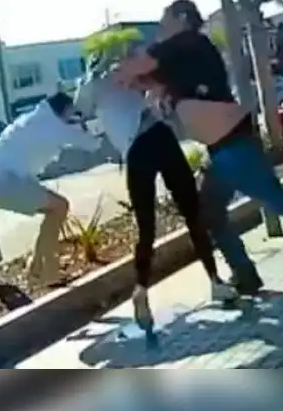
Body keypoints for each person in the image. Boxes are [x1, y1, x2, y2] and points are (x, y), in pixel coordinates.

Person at [113, 0, 283, 295]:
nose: (160, 26)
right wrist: (129, 82)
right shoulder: (179, 58)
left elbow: (141, 65)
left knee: (277, 202)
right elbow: (147, 80)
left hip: (235, 146)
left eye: (165, 19)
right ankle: (247, 274)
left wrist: (122, 71)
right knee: (215, 212)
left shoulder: (188, 42)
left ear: (182, 18)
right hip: (223, 150)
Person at [74, 55, 237, 330]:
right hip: (157, 138)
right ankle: (214, 281)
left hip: (138, 150)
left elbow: (80, 110)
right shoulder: (112, 76)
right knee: (190, 213)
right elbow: (144, 84)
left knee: (148, 227)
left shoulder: (95, 86)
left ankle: (143, 290)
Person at [0, 92, 102, 285]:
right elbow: (92, 144)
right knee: (60, 206)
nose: (74, 116)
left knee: (55, 210)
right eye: (73, 112)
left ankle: (37, 267)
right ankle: (48, 272)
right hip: (6, 182)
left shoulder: (38, 119)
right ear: (64, 110)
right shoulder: (54, 126)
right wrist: (91, 125)